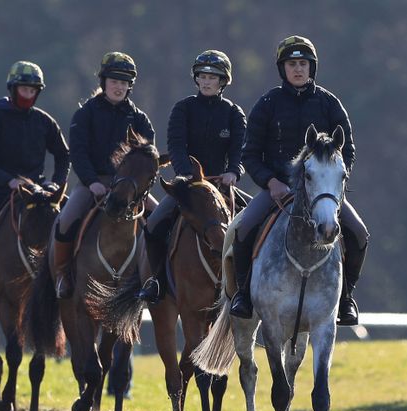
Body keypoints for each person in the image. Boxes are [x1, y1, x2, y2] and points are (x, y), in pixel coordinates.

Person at [229, 36, 367, 326]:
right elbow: (250, 154)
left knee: (359, 234)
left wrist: (333, 185)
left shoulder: (330, 104)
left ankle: (346, 299)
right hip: (278, 190)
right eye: (292, 64)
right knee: (242, 230)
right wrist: (270, 182)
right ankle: (242, 295)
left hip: (321, 192)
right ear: (283, 69)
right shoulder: (267, 104)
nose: (298, 69)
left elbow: (348, 151)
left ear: (311, 67)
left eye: (303, 63)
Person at [138, 50, 249, 303]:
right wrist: (186, 175)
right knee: (154, 225)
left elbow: (239, 151)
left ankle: (247, 286)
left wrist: (233, 171)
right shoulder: (182, 109)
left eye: (213, 77)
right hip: (189, 187)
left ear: (223, 81)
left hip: (223, 185)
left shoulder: (234, 114)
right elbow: (176, 146)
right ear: (196, 79)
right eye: (203, 76)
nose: (207, 81)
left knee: (257, 224)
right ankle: (155, 280)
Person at [55, 52, 156, 299]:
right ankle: (63, 276)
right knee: (66, 220)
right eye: (114, 81)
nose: (119, 87)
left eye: (124, 82)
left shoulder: (140, 119)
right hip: (93, 183)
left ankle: (155, 279)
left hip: (130, 189)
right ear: (103, 82)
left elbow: (149, 158)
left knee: (161, 219)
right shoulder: (85, 114)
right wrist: (91, 183)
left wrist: (138, 187)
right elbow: (77, 154)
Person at [0, 61, 69, 294]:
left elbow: (63, 155)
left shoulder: (44, 121)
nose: (28, 95)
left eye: (33, 91)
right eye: (24, 89)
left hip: (39, 189)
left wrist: (56, 182)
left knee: (71, 213)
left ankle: (66, 271)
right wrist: (9, 181)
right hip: (3, 189)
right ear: (12, 89)